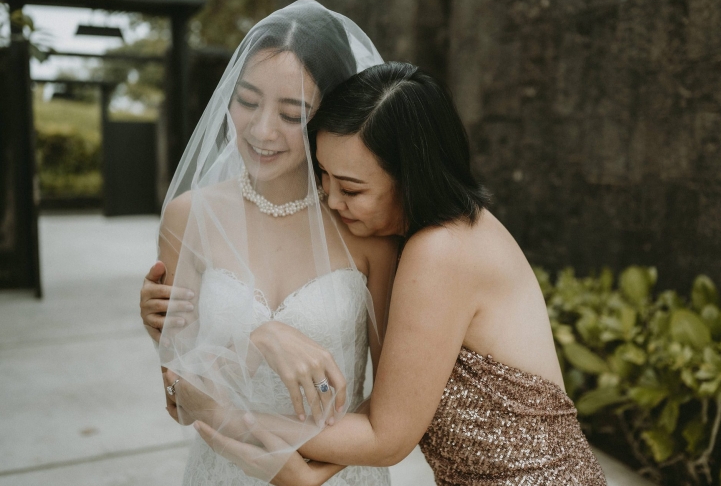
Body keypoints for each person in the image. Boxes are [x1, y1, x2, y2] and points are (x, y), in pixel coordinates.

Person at [188, 62, 609, 485]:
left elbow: (384, 437)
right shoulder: (447, 231)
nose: (330, 201)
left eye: (351, 188)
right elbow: (388, 408)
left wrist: (227, 420)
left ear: (411, 177)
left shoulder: (442, 250)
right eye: (323, 176)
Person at [143, 0, 399, 486]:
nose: (261, 130)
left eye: (292, 113)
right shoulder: (188, 217)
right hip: (223, 470)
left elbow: (390, 404)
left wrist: (307, 470)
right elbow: (179, 397)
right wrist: (257, 338)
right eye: (247, 100)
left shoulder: (368, 230)